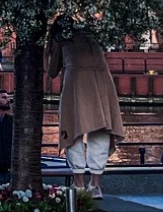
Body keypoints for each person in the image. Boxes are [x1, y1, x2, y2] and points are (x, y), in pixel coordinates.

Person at [48, 20, 126, 198]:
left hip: (75, 84)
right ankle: (96, 185)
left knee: (72, 132)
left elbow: (52, 71)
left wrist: (49, 47)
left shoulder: (61, 38)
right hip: (102, 83)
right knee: (101, 131)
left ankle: (79, 184)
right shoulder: (93, 36)